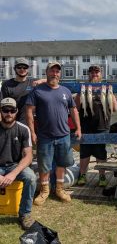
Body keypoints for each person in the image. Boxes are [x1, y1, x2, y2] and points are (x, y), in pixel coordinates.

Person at [26, 61, 81, 206]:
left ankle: (60, 189)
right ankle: (44, 191)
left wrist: (78, 128)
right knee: (44, 166)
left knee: (62, 164)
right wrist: (32, 132)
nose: (54, 74)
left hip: (64, 135)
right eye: (52, 71)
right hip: (44, 136)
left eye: (57, 71)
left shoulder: (66, 91)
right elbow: (29, 112)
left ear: (60, 74)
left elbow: (73, 110)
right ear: (47, 72)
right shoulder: (37, 91)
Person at [75, 65, 117, 187]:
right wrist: (80, 93)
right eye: (92, 72)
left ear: (101, 75)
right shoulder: (83, 88)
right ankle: (83, 175)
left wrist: (111, 92)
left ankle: (102, 176)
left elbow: (114, 108)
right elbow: (77, 107)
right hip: (86, 126)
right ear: (88, 74)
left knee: (101, 152)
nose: (94, 74)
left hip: (102, 126)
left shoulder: (106, 88)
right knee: (84, 153)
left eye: (97, 72)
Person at [0, 97, 36, 230]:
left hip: (14, 166)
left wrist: (13, 174)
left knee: (31, 177)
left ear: (16, 111)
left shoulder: (23, 129)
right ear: (1, 111)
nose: (8, 113)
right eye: (5, 110)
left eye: (12, 110)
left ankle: (24, 214)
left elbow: (28, 156)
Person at [0, 57, 46, 124]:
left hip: (30, 123)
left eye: (25, 67)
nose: (22, 69)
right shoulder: (7, 85)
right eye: (19, 67)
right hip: (12, 123)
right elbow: (1, 105)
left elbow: (53, 82)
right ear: (14, 69)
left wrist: (41, 80)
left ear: (28, 69)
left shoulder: (33, 82)